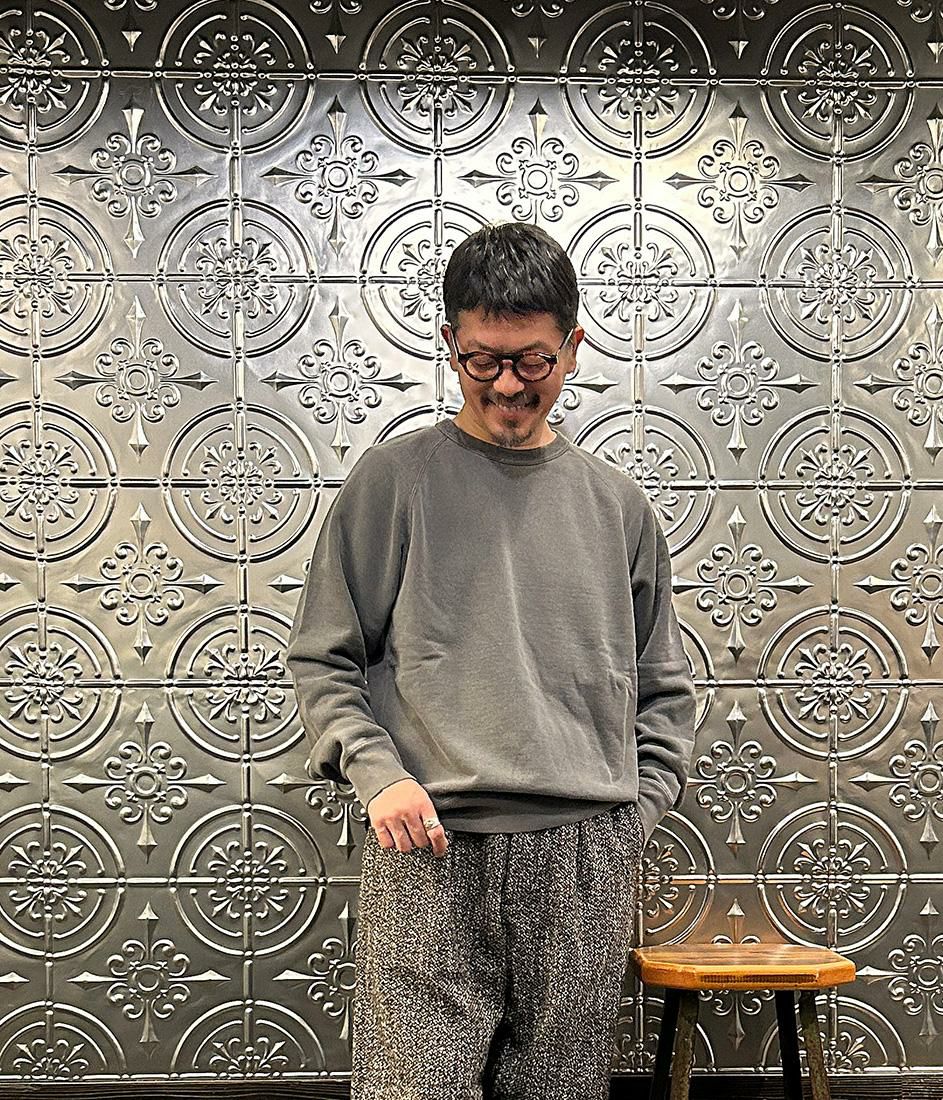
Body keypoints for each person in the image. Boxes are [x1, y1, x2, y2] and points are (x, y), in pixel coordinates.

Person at [287, 221, 697, 1100]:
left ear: (573, 347)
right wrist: (378, 777)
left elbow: (664, 690)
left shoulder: (618, 506)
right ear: (450, 343)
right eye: (483, 360)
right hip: (428, 845)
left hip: (583, 856)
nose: (508, 385)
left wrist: (628, 823)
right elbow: (324, 659)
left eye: (532, 361)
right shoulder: (392, 482)